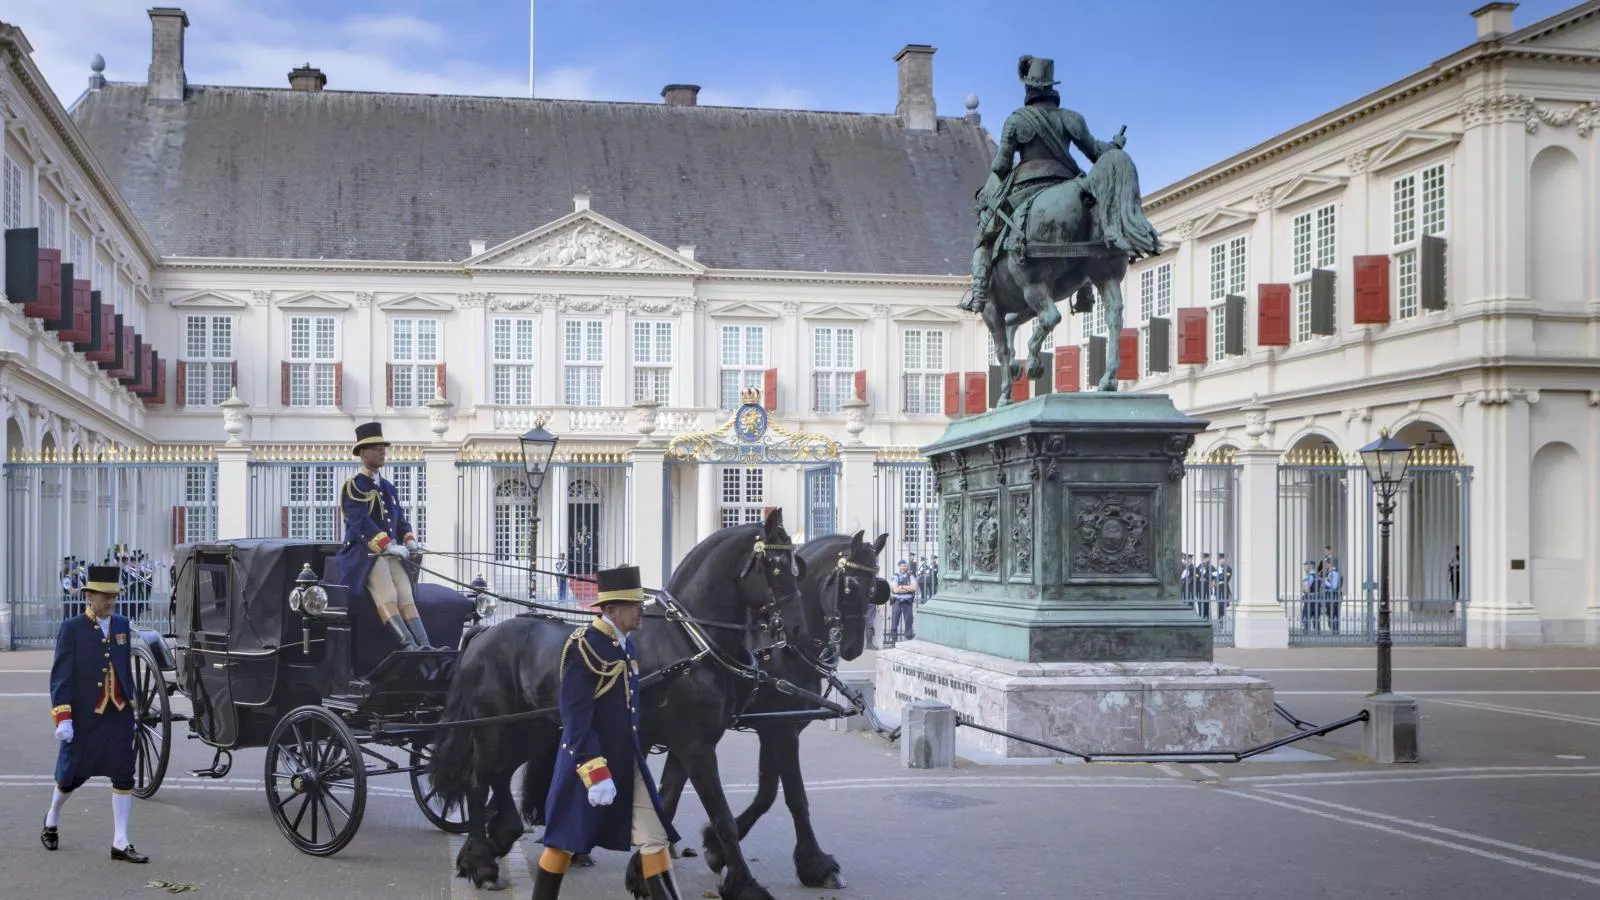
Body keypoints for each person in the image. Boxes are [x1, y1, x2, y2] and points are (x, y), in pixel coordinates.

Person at [533, 565, 682, 900]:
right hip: (588, 766)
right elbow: (575, 720)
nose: (641, 609)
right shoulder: (583, 647)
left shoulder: (623, 645)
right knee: (563, 842)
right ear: (611, 609)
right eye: (634, 605)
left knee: (654, 837)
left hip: (626, 761)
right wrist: (595, 772)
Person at [960, 54, 1126, 314]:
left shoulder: (1016, 121)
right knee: (1090, 225)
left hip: (1026, 187)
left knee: (984, 234)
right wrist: (1114, 146)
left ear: (1028, 87)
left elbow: (1001, 165)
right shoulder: (1072, 119)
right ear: (1051, 86)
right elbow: (1097, 152)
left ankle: (979, 293)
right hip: (1070, 183)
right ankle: (1085, 292)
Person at [41, 564, 148, 863]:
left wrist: (133, 701)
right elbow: (61, 676)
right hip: (86, 716)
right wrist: (63, 717)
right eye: (104, 596)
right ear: (89, 596)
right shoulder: (72, 628)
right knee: (69, 777)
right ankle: (52, 818)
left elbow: (124, 667)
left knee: (124, 774)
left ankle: (121, 842)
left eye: (113, 596)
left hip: (118, 713)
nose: (110, 602)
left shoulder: (122, 625)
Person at [334, 422, 439, 651]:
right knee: (388, 594)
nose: (382, 451)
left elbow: (399, 519)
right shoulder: (354, 487)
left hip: (391, 554)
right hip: (366, 554)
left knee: (406, 594)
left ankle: (425, 646)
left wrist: (409, 538)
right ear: (363, 454)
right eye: (376, 448)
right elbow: (360, 522)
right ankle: (409, 647)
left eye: (383, 447)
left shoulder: (389, 488)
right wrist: (387, 544)